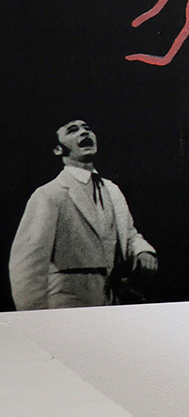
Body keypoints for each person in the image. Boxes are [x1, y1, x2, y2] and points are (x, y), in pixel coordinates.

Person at [8, 121, 159, 309]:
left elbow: (128, 234)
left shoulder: (112, 189)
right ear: (58, 149)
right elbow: (28, 264)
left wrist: (142, 251)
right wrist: (33, 317)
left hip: (109, 302)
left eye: (87, 129)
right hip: (66, 306)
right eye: (73, 130)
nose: (84, 133)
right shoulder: (49, 194)